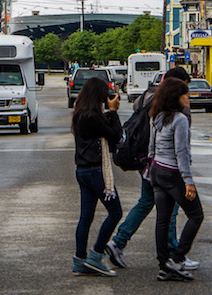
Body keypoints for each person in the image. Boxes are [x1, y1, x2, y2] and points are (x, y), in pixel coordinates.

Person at [106, 66, 190, 269]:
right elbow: (172, 140)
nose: (187, 94)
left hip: (146, 161)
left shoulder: (147, 96)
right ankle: (172, 252)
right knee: (169, 207)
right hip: (163, 165)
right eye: (185, 89)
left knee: (146, 202)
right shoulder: (167, 103)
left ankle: (118, 241)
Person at [149, 76, 204, 282]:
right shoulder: (180, 120)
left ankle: (163, 264)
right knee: (196, 215)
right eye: (185, 94)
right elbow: (181, 152)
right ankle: (177, 257)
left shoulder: (156, 116)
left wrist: (150, 169)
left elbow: (151, 147)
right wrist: (188, 181)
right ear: (177, 97)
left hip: (157, 171)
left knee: (162, 220)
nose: (188, 98)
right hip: (173, 174)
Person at [71, 76, 123, 277]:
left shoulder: (81, 114)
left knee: (86, 217)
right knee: (115, 212)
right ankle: (96, 255)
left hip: (82, 170)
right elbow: (115, 135)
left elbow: (106, 130)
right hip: (95, 171)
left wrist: (108, 113)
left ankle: (79, 260)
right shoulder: (93, 116)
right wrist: (113, 111)